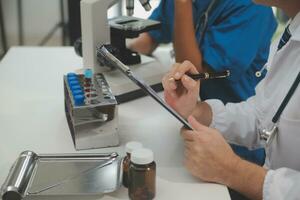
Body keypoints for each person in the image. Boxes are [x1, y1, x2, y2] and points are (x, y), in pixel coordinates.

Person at [162, 0, 300, 198]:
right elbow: (264, 117)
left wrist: (233, 171)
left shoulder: (251, 12)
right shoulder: (293, 30)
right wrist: (197, 111)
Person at [130, 0, 277, 165]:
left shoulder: (252, 8)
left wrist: (183, 4)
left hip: (236, 145)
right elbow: (148, 39)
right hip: (193, 122)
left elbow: (193, 72)